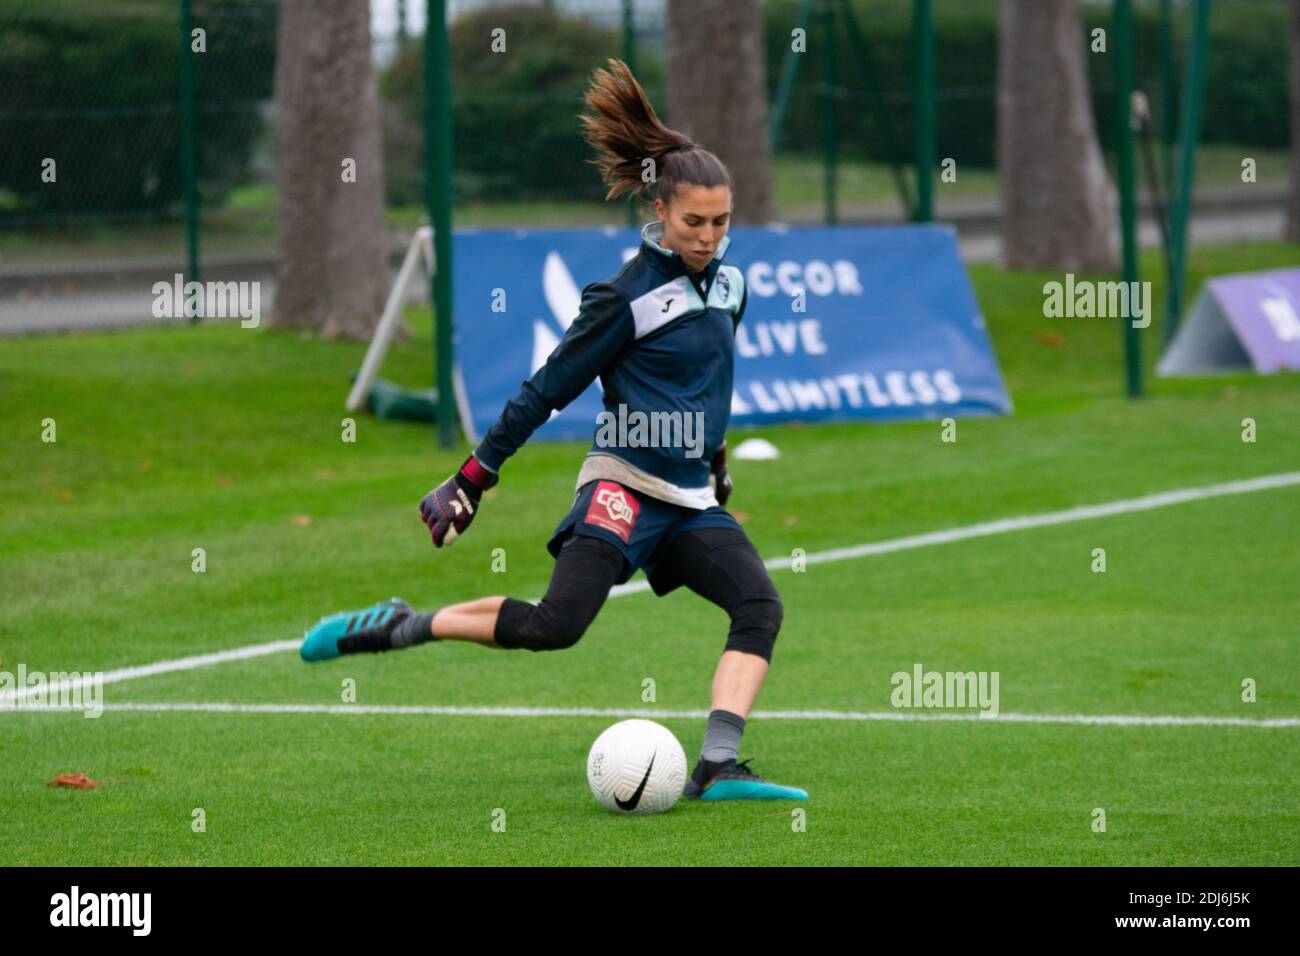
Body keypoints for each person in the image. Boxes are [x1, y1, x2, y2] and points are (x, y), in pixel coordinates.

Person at [301, 59, 805, 802]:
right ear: (659, 211)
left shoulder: (731, 285)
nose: (707, 236)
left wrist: (717, 460)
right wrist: (472, 479)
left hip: (691, 498)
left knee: (759, 606)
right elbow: (546, 390)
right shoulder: (622, 298)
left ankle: (718, 766)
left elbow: (711, 383)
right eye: (693, 221)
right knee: (556, 624)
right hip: (625, 487)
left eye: (721, 221)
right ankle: (404, 625)